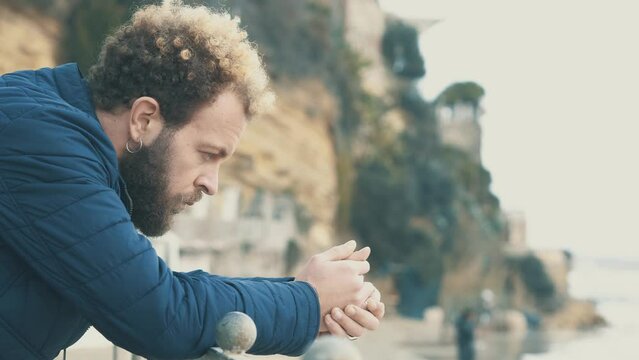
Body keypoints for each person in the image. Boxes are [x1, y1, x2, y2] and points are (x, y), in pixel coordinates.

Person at [0, 2, 384, 359]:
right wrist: (307, 303)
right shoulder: (39, 141)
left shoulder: (56, 137)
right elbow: (160, 312)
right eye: (207, 154)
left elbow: (154, 290)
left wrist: (301, 298)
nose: (211, 184)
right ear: (144, 119)